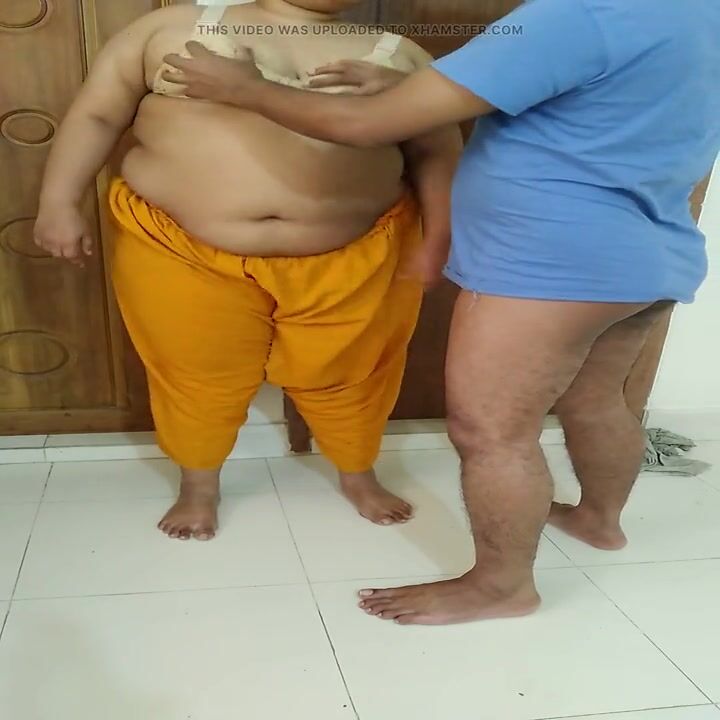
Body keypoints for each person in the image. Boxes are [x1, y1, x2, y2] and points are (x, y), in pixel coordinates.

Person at [162, 0, 720, 623]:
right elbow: (598, 101)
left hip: (550, 261)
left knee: (491, 432)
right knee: (596, 400)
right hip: (645, 252)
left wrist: (246, 88)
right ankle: (598, 521)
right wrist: (408, 89)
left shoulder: (579, 12)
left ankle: (501, 587)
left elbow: (363, 125)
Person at [33, 0, 463, 540]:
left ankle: (357, 472)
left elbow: (437, 151)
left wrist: (439, 235)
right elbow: (98, 114)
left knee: (353, 372)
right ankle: (199, 484)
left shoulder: (402, 57)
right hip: (180, 249)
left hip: (354, 259)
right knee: (196, 369)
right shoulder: (170, 27)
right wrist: (58, 202)